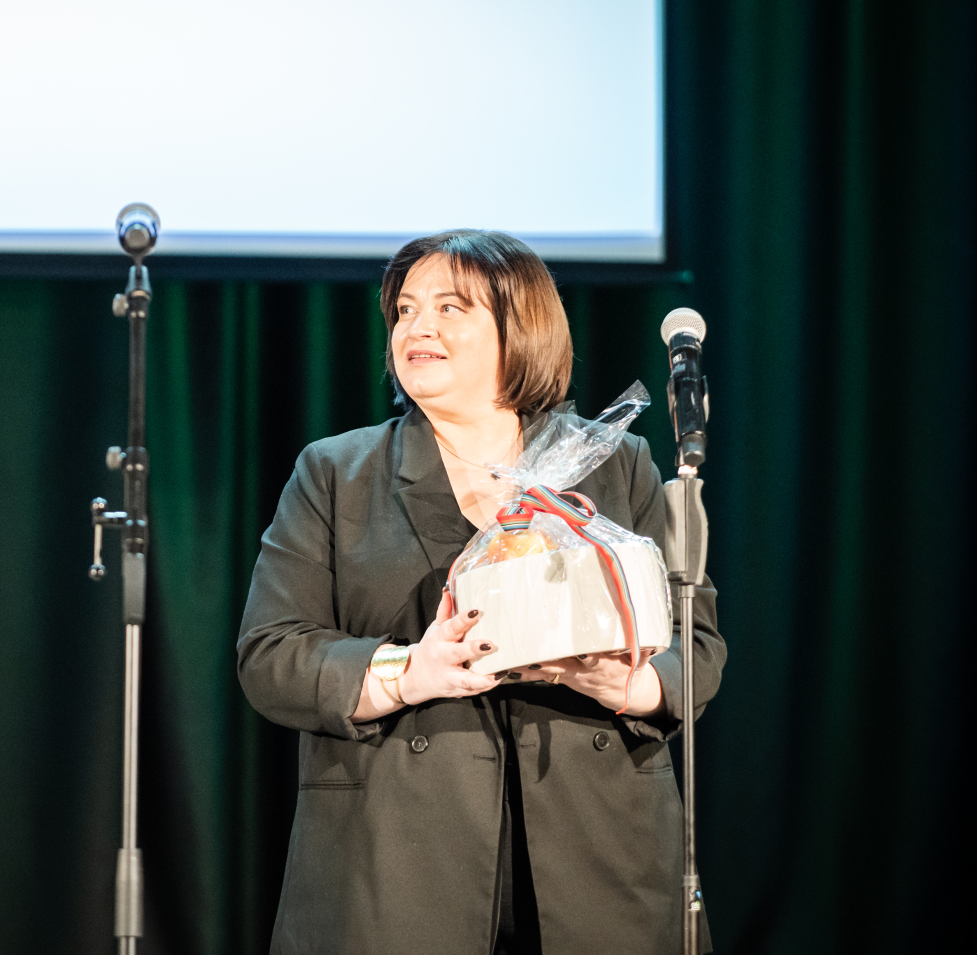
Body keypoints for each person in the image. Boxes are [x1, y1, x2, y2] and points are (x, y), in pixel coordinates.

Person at [237, 230, 726, 954]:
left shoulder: (617, 464)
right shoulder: (337, 473)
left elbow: (697, 646)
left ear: (518, 327)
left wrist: (628, 685)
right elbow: (271, 656)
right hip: (395, 865)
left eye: (449, 307)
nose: (417, 327)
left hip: (602, 859)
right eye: (405, 310)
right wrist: (409, 671)